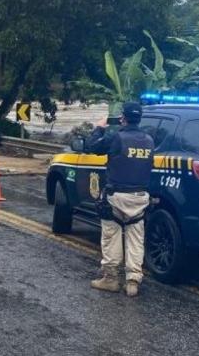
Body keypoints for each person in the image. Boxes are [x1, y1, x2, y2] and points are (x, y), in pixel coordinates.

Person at [85, 102, 154, 297]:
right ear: (139, 118)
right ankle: (133, 282)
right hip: (140, 197)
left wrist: (99, 128)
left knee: (111, 236)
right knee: (135, 239)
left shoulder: (117, 137)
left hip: (116, 196)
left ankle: (110, 279)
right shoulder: (149, 140)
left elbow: (91, 147)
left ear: (123, 118)